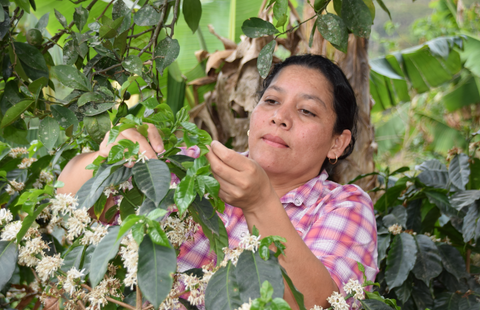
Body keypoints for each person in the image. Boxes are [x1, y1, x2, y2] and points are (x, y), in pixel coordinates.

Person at [58, 54, 377, 309]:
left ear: (337, 143)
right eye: (271, 101)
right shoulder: (193, 162)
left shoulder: (345, 206)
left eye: (306, 111)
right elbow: (66, 205)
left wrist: (260, 202)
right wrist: (107, 157)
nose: (280, 117)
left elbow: (323, 303)